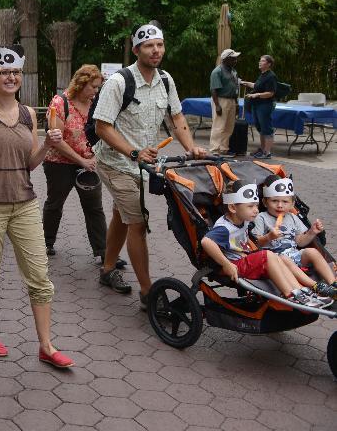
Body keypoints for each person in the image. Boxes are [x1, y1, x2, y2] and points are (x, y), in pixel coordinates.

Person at [0, 43, 74, 368]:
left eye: (15, 72)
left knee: (40, 277)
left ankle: (46, 346)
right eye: (4, 71)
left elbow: (30, 163)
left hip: (24, 204)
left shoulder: (28, 114)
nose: (10, 77)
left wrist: (48, 144)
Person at [93, 23, 206, 308]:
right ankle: (148, 292)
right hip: (115, 162)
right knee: (138, 223)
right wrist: (133, 152)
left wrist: (191, 147)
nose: (156, 50)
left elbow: (177, 118)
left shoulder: (166, 80)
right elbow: (102, 127)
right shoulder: (119, 82)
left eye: (160, 45)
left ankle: (108, 269)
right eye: (148, 46)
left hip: (142, 165)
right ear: (136, 50)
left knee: (123, 215)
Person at [200, 180, 330, 308]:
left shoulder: (243, 220)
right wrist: (226, 264)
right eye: (251, 206)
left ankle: (300, 291)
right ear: (233, 207)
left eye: (256, 206)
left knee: (280, 259)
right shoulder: (224, 228)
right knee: (267, 255)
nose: (256, 210)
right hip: (234, 266)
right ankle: (289, 294)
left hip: (244, 260)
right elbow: (206, 241)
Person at [43, 65, 119, 265]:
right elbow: (56, 140)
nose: (96, 91)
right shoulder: (60, 103)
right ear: (80, 84)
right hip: (59, 163)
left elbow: (103, 130)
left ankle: (104, 252)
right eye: (93, 87)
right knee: (55, 203)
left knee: (94, 207)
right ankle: (45, 243)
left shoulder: (96, 103)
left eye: (98, 87)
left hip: (88, 163)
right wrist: (81, 161)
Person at [254, 176, 336, 295]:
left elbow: (300, 242)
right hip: (276, 261)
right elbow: (256, 242)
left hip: (294, 254)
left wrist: (312, 232)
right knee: (284, 259)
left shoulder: (292, 217)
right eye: (274, 201)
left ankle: (333, 283)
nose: (280, 205)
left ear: (292, 204)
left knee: (312, 252)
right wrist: (269, 237)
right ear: (265, 202)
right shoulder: (261, 217)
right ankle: (315, 286)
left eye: (285, 202)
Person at [241, 54, 277, 159]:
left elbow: (271, 93)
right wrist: (246, 83)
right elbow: (257, 86)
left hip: (265, 105)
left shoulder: (271, 76)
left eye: (262, 61)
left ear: (269, 64)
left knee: (267, 128)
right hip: (256, 104)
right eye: (260, 60)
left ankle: (267, 152)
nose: (260, 62)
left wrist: (257, 95)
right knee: (260, 127)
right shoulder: (262, 74)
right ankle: (262, 149)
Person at [209, 49, 241, 155]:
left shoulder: (233, 71)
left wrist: (236, 103)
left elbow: (236, 87)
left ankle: (224, 149)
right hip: (221, 99)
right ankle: (215, 150)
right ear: (226, 59)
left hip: (232, 100)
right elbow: (214, 89)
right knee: (219, 125)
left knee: (229, 126)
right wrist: (217, 105)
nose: (235, 60)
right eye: (233, 58)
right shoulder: (217, 71)